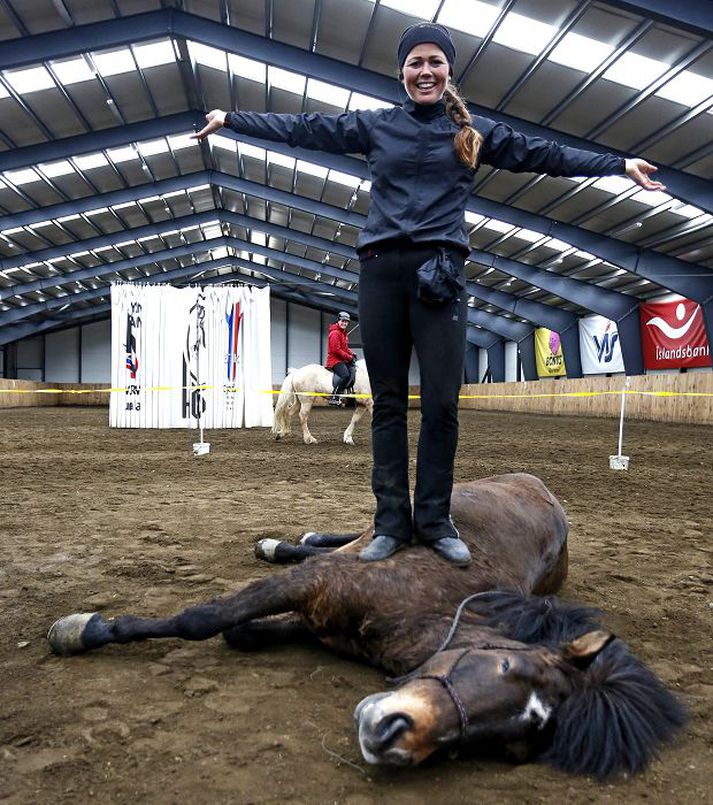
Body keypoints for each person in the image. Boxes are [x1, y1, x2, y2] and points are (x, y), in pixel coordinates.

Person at [191, 22, 665, 566]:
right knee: (387, 403)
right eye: (415, 62)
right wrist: (232, 120)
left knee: (442, 403)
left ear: (448, 71)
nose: (425, 70)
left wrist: (617, 165)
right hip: (381, 272)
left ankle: (435, 521)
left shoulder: (474, 133)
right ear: (401, 71)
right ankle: (390, 521)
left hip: (441, 275)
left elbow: (547, 155)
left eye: (434, 62)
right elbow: (305, 128)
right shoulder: (375, 126)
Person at [326, 311, 356, 407]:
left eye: (346, 322)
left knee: (353, 369)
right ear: (338, 321)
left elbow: (345, 348)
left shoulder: (343, 333)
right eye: (342, 321)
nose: (344, 323)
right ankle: (335, 397)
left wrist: (352, 354)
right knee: (345, 375)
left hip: (341, 359)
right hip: (334, 360)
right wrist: (349, 357)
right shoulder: (335, 333)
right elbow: (336, 350)